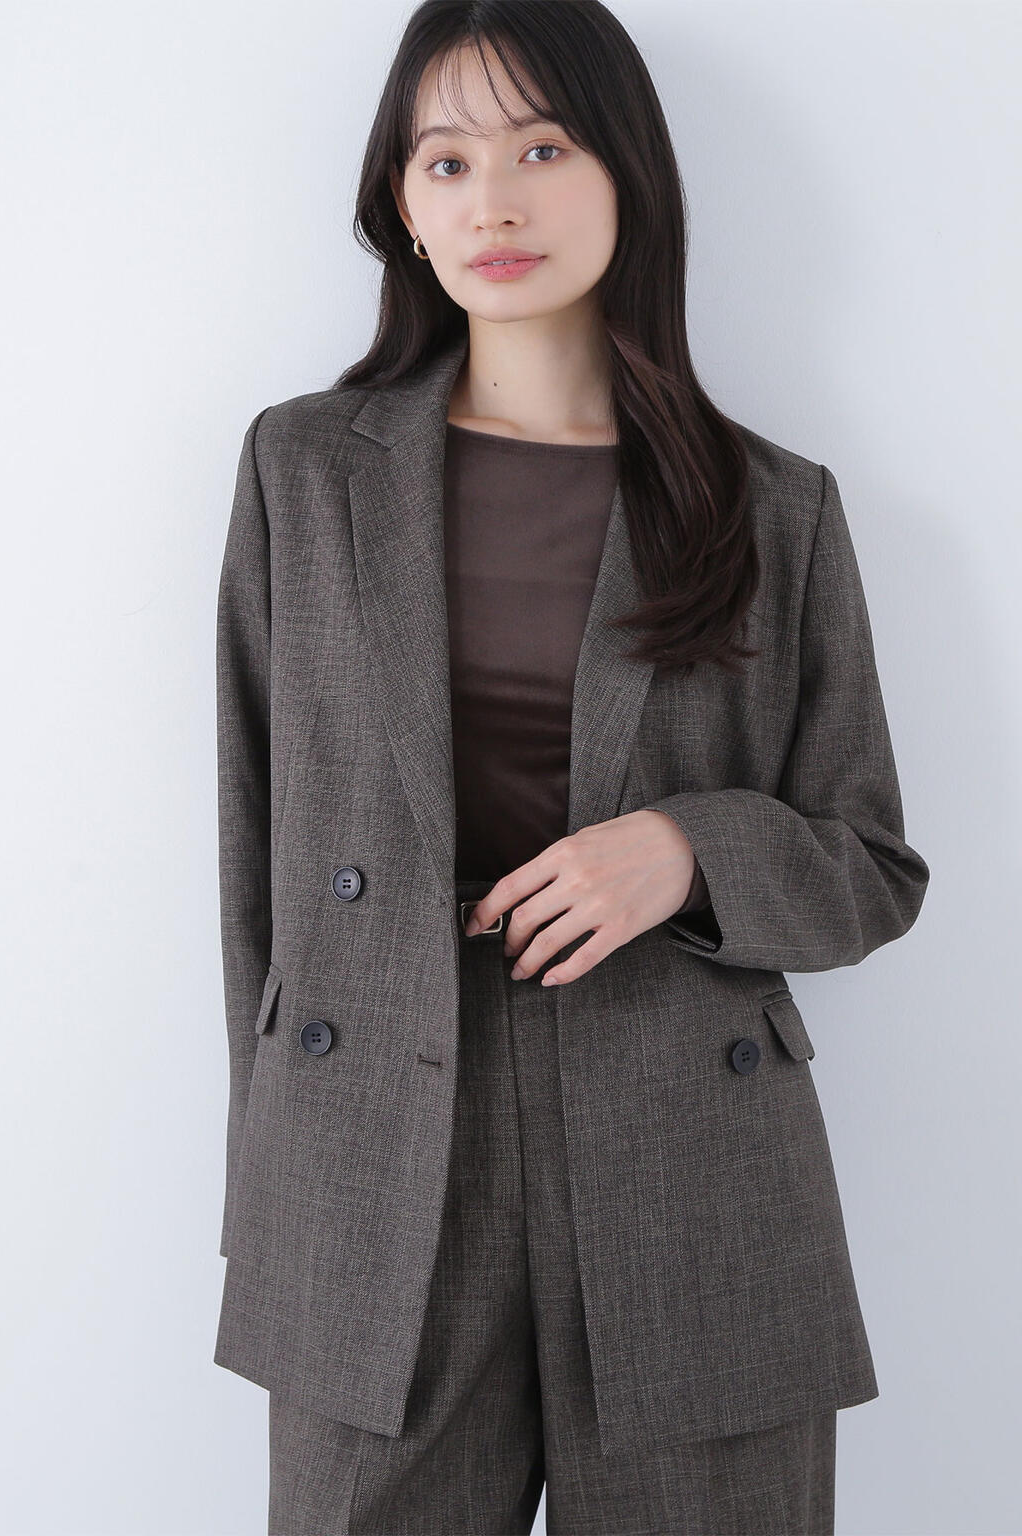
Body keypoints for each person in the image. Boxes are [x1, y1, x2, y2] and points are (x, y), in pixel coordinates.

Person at [212, 3, 931, 1532]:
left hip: (689, 1158)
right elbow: (255, 857)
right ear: (404, 205)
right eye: (448, 160)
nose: (496, 200)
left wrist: (687, 849)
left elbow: (872, 866)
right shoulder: (306, 471)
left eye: (542, 148)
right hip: (375, 1160)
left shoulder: (772, 507)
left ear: (628, 173)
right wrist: (275, 1192)